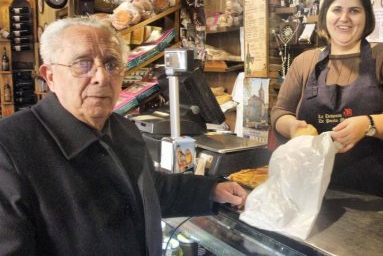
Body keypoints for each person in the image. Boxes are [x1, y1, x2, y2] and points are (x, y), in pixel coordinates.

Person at [0, 17, 247, 255]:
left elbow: (149, 191)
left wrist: (210, 191)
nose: (101, 77)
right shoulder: (9, 149)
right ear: (50, 76)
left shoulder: (123, 129)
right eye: (82, 63)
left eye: (111, 64)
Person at [271, 0, 383, 203]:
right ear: (325, 16)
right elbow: (280, 111)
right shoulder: (304, 62)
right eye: (336, 9)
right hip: (311, 190)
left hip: (376, 197)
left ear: (366, 16)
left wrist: (368, 125)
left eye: (354, 11)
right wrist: (292, 127)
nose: (344, 18)